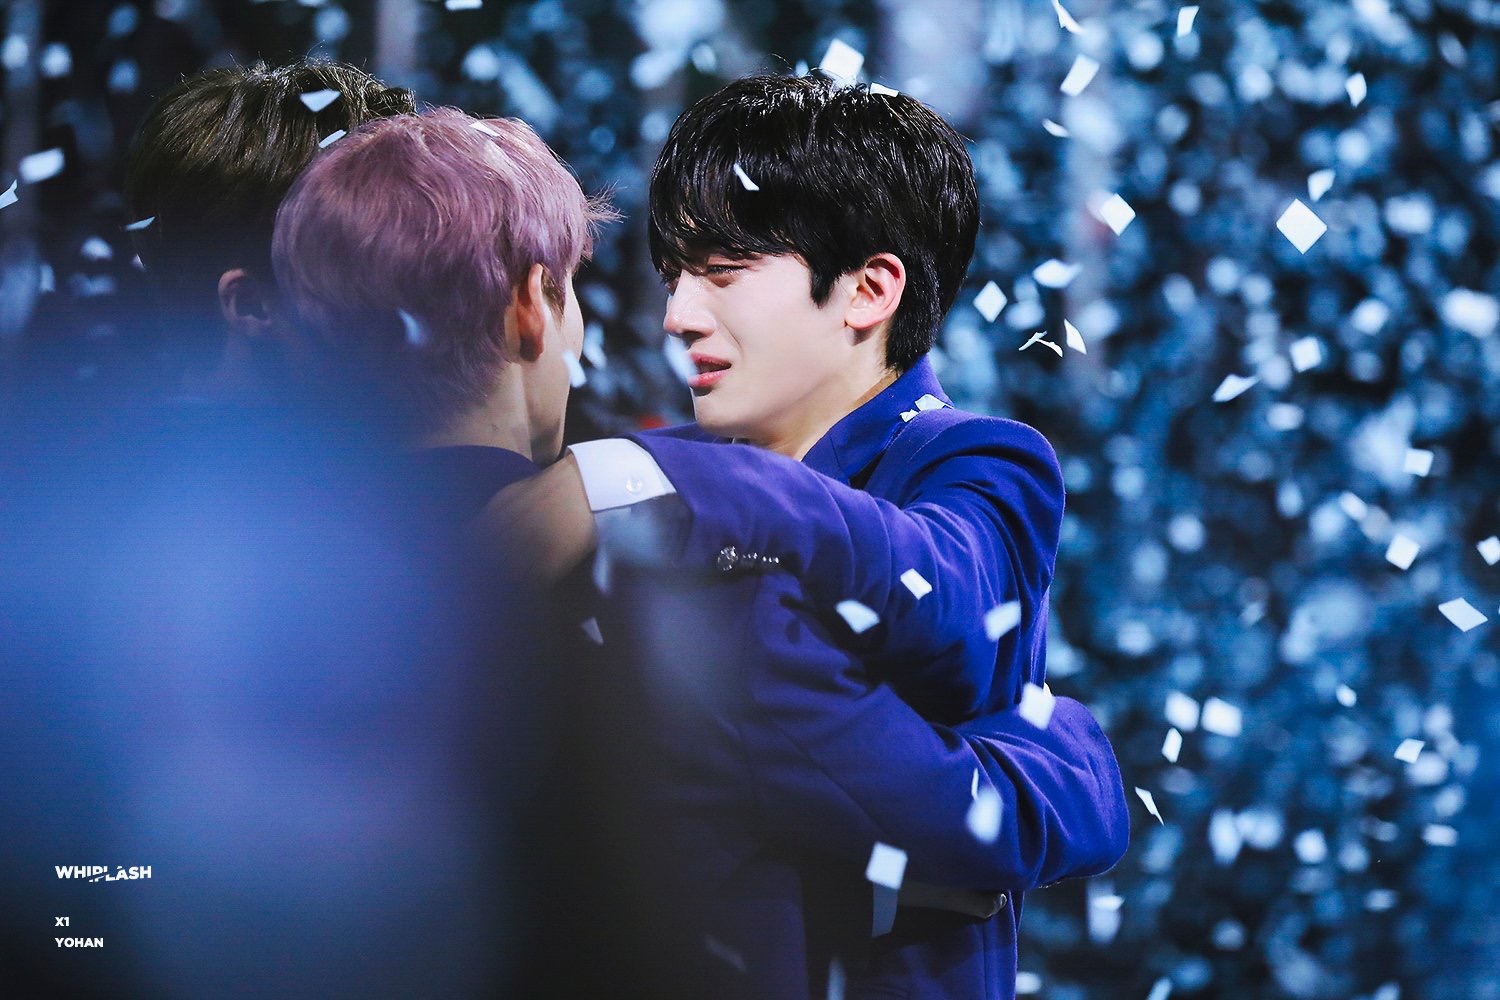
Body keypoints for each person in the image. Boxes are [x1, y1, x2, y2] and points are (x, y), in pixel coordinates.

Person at [273, 107, 1126, 996]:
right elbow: (962, 810)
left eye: (722, 272)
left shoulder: (967, 460)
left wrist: (638, 474)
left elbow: (946, 599)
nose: (677, 316)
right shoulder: (644, 499)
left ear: (870, 291)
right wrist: (1072, 765)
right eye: (674, 276)